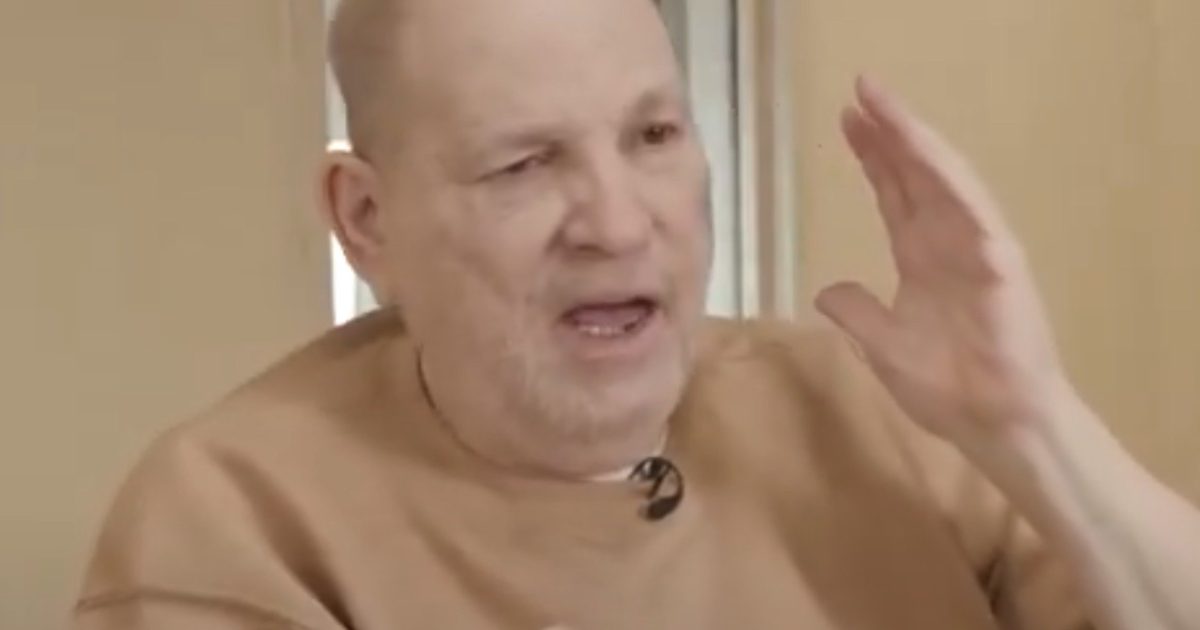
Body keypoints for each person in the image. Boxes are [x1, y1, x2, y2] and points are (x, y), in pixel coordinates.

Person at [73, 0, 1200, 628]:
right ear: (367, 220)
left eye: (655, 137)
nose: (618, 224)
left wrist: (1035, 425)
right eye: (522, 164)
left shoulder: (869, 407)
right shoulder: (229, 519)